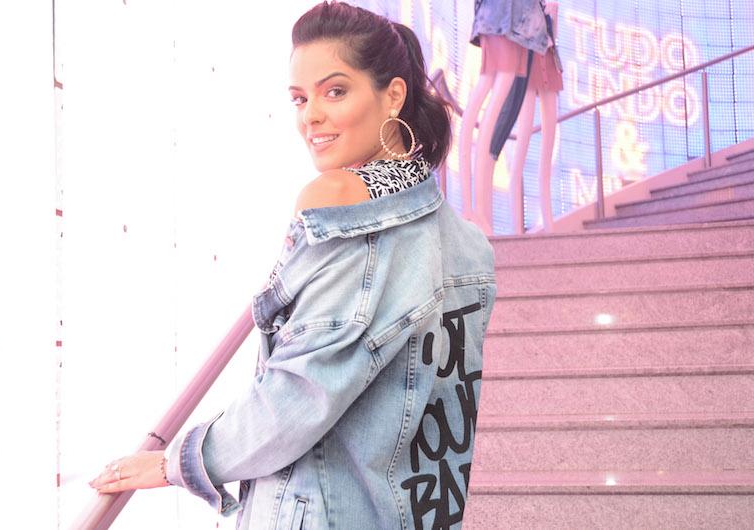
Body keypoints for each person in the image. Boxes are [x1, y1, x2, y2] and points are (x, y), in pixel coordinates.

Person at [89, 2, 497, 528]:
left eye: (335, 91)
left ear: (393, 94)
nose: (310, 117)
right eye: (300, 98)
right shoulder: (468, 246)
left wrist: (176, 462)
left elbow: (297, 398)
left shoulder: (340, 205)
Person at [459, 0, 550, 234]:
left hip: (514, 24)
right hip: (508, 21)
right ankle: (475, 211)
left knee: (487, 93)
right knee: (491, 94)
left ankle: (475, 210)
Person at [509, 0, 563, 232]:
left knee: (549, 144)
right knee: (523, 139)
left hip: (548, 59)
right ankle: (516, 228)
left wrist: (552, 13)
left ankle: (549, 225)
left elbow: (553, 36)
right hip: (526, 59)